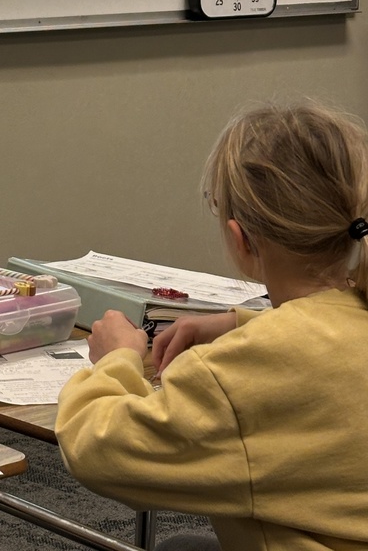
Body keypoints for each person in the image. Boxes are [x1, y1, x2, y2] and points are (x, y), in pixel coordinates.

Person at [55, 100, 368, 551]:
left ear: (241, 240)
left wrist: (116, 359)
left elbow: (98, 451)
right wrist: (241, 322)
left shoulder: (243, 372)